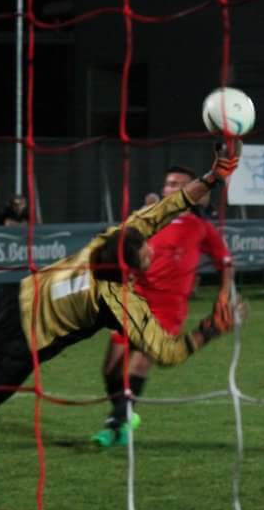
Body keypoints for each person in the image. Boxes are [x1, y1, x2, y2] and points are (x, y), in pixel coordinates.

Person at [0, 147, 243, 510]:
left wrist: (213, 176)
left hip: (9, 307)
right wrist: (212, 327)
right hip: (19, 352)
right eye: (147, 251)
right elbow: (167, 352)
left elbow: (169, 206)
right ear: (132, 265)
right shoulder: (118, 300)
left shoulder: (105, 241)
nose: (151, 248)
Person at [91, 164, 234, 448]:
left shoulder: (201, 228)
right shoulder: (144, 222)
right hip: (133, 301)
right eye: (170, 183)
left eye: (181, 184)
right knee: (110, 368)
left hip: (168, 307)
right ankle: (123, 416)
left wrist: (224, 295)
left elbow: (225, 262)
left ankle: (116, 424)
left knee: (142, 360)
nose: (174, 188)